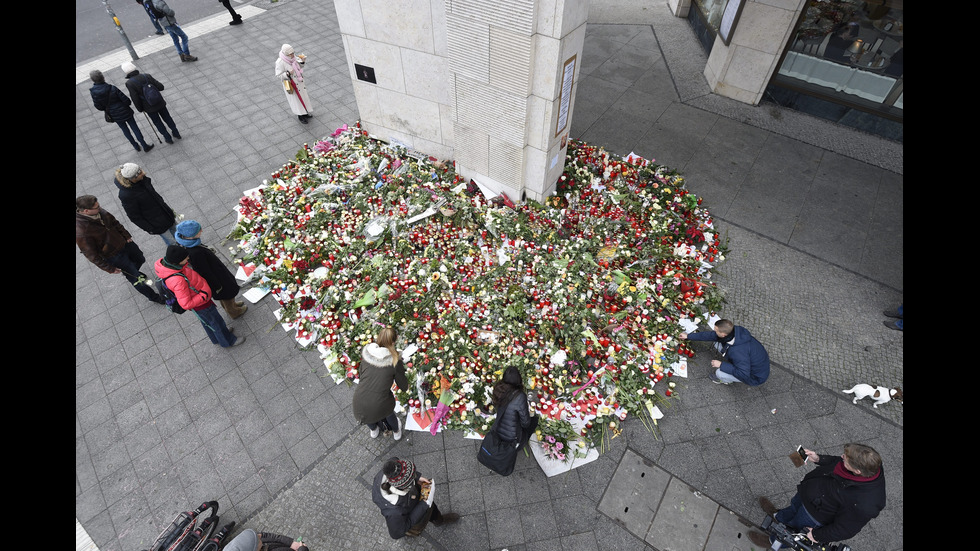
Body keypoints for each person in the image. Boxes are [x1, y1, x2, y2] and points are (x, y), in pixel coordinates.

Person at [747, 443, 886, 548]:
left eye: (846, 459)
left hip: (814, 516)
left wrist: (816, 536)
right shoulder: (870, 466)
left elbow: (845, 529)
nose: (842, 457)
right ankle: (778, 517)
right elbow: (838, 462)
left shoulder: (867, 504)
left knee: (793, 533)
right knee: (792, 509)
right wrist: (819, 459)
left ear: (857, 471)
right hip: (807, 495)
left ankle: (773, 542)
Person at [76, 195, 163, 304]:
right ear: (86, 211)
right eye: (97, 207)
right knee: (136, 279)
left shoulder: (99, 212)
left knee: (140, 258)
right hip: (113, 256)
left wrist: (126, 236)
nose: (100, 207)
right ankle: (154, 297)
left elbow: (114, 222)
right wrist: (109, 268)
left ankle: (133, 272)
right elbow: (91, 255)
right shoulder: (81, 232)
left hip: (124, 243)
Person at [155, 245, 245, 348]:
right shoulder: (177, 280)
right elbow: (185, 304)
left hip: (200, 303)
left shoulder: (173, 268)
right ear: (178, 261)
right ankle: (228, 341)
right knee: (216, 322)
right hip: (201, 304)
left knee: (208, 322)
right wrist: (204, 296)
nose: (188, 258)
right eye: (185, 258)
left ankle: (216, 337)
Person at [175, 219, 248, 319]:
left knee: (226, 294)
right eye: (199, 231)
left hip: (216, 272)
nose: (201, 231)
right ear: (190, 236)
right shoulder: (195, 253)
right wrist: (217, 286)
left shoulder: (187, 244)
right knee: (226, 294)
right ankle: (234, 311)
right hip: (217, 278)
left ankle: (233, 305)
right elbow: (205, 272)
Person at [372, 457, 459, 539]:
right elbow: (396, 533)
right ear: (405, 485)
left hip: (415, 498)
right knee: (418, 522)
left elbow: (400, 469)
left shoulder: (392, 467)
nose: (415, 476)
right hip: (414, 516)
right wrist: (424, 504)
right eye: (412, 477)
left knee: (432, 509)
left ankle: (439, 520)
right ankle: (411, 533)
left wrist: (417, 477)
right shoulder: (394, 512)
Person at [352, 327, 408, 439]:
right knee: (387, 412)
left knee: (367, 413)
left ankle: (374, 429)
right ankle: (396, 431)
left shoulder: (367, 355)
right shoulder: (394, 361)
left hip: (359, 401)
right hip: (381, 403)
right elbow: (403, 385)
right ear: (393, 342)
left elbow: (362, 375)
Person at [679, 319, 770, 385]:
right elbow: (711, 335)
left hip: (754, 376)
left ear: (723, 334)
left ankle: (724, 380)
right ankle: (730, 364)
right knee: (717, 344)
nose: (714, 332)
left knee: (719, 373)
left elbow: (743, 373)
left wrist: (721, 365)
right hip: (751, 361)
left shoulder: (738, 352)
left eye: (716, 330)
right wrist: (689, 336)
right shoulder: (734, 332)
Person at [89, 70, 154, 153]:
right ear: (103, 78)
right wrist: (127, 103)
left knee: (125, 130)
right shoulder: (112, 88)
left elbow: (98, 106)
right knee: (135, 128)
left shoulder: (93, 92)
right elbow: (125, 99)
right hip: (125, 110)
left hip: (114, 114)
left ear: (93, 80)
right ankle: (144, 145)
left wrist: (106, 108)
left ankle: (135, 145)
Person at [114, 162, 178, 246]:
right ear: (132, 178)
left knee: (179, 233)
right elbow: (134, 216)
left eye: (141, 170)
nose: (143, 173)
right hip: (156, 224)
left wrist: (166, 207)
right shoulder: (126, 195)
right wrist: (151, 229)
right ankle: (180, 256)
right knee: (172, 243)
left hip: (166, 214)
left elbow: (155, 195)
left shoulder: (143, 180)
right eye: (140, 173)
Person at [121, 61, 182, 145]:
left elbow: (135, 98)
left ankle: (167, 138)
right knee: (167, 117)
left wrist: (140, 109)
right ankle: (176, 133)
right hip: (159, 102)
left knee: (157, 122)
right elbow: (161, 87)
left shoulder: (129, 83)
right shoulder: (146, 76)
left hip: (149, 107)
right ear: (134, 67)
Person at [490, 366, 537, 454]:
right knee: (533, 421)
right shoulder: (520, 396)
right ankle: (518, 445)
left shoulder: (498, 388)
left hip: (497, 429)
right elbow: (525, 423)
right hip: (512, 437)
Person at [275, 44, 311, 124]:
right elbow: (278, 75)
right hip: (291, 83)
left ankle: (305, 112)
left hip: (299, 81)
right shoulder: (280, 62)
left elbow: (299, 67)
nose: (292, 55)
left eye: (292, 53)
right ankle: (300, 116)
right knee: (296, 100)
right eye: (290, 54)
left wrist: (302, 62)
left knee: (303, 97)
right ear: (286, 54)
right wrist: (287, 73)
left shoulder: (294, 57)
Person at [222, 529, 308, 551]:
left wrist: (290, 543)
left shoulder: (254, 540)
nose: (259, 535)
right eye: (257, 539)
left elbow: (267, 535)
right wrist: (303, 549)